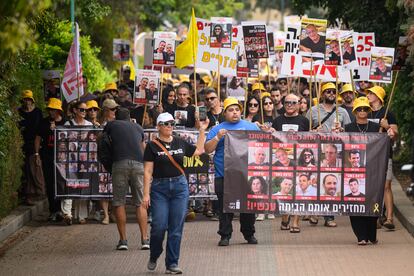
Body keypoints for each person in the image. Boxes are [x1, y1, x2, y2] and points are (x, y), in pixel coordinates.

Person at [143, 112, 208, 274]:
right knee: (158, 226)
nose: (170, 126)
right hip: (159, 188)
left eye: (172, 123)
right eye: (166, 124)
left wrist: (202, 131)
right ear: (158, 126)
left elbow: (199, 151)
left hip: (180, 187)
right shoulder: (152, 146)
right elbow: (147, 171)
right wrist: (146, 194)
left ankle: (172, 263)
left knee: (176, 227)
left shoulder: (180, 142)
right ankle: (155, 253)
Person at [205, 97, 263, 247]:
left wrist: (267, 132)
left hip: (246, 175)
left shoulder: (251, 127)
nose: (235, 112)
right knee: (224, 208)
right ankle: (225, 235)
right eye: (231, 110)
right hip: (223, 175)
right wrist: (218, 137)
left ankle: (249, 234)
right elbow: (207, 149)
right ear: (225, 113)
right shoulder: (217, 129)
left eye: (237, 109)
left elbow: (263, 144)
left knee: (248, 207)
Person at [344, 96, 395, 244]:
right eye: (359, 109)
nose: (362, 111)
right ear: (354, 111)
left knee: (372, 202)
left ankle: (371, 234)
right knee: (354, 202)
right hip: (353, 173)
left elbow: (390, 140)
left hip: (373, 173)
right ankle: (361, 236)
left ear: (369, 110)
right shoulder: (347, 128)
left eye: (365, 109)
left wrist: (388, 131)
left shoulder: (376, 128)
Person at [104, 107, 148, 251]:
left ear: (116, 117)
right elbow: (143, 148)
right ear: (130, 118)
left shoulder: (111, 125)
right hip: (138, 164)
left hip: (119, 163)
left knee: (119, 202)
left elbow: (102, 140)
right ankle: (145, 240)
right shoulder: (138, 127)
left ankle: (123, 241)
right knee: (140, 203)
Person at [366, 86, 398, 230]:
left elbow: (395, 134)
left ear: (378, 96)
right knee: (371, 186)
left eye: (371, 93)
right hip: (369, 155)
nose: (368, 96)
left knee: (386, 186)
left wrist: (387, 127)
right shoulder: (364, 112)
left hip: (385, 154)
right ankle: (374, 216)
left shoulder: (388, 113)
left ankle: (390, 218)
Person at [61, 101, 93, 225]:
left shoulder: (90, 124)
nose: (84, 112)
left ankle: (81, 215)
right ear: (74, 110)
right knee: (69, 184)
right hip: (70, 159)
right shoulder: (68, 124)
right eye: (81, 110)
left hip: (85, 160)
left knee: (83, 185)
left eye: (86, 110)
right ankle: (67, 214)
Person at [34, 98, 65, 221]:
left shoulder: (66, 122)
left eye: (53, 109)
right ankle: (53, 210)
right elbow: (37, 138)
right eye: (50, 109)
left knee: (62, 184)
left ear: (59, 110)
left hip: (62, 158)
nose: (51, 112)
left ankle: (62, 210)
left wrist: (57, 130)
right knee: (50, 183)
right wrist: (36, 154)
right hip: (47, 157)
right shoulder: (44, 122)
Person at [18, 90, 45, 205]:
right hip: (23, 144)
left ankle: (37, 192)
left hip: (36, 143)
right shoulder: (19, 112)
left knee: (35, 168)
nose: (27, 101)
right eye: (25, 99)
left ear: (32, 100)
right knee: (26, 169)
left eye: (29, 99)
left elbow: (41, 128)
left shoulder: (38, 112)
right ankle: (27, 195)